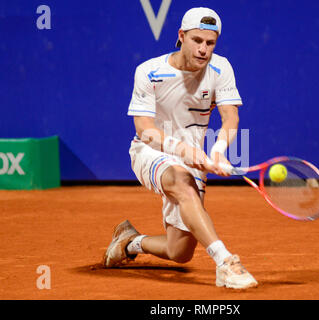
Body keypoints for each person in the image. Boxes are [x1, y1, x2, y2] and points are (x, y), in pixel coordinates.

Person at [103, 7, 258, 289]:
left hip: (192, 160)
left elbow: (230, 117)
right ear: (181, 36)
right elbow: (144, 130)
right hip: (149, 151)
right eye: (197, 41)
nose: (203, 49)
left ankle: (128, 242)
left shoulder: (221, 69)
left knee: (180, 252)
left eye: (210, 43)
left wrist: (219, 150)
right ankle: (226, 263)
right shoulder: (149, 72)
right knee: (181, 181)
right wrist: (187, 153)